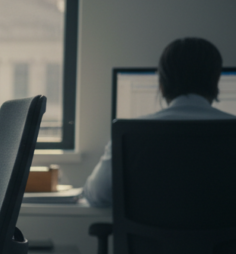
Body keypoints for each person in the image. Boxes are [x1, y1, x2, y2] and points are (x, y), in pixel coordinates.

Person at [82, 37, 234, 207]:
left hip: (144, 235)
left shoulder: (127, 134)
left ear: (161, 84)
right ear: (216, 82)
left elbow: (97, 195)